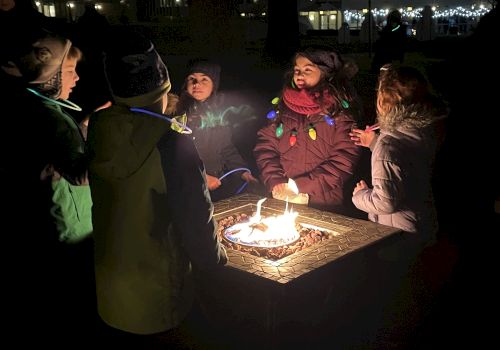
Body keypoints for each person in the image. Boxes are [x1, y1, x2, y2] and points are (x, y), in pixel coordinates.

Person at [86, 30, 227, 346]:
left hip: (112, 289)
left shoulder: (100, 128)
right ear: (161, 80)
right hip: (160, 292)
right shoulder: (171, 143)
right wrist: (216, 265)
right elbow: (196, 219)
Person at [0, 30, 95, 344]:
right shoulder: (50, 117)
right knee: (73, 302)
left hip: (47, 222)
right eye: (69, 71)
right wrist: (109, 144)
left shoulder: (30, 107)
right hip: (68, 228)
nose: (77, 78)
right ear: (49, 76)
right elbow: (80, 174)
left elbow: (54, 155)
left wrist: (81, 127)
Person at [254, 47, 364, 216]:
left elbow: (344, 159)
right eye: (297, 70)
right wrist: (275, 179)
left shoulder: (338, 111)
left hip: (324, 202)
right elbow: (266, 146)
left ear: (325, 73)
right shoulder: (281, 107)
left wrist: (300, 186)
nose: (299, 75)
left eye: (307, 70)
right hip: (283, 198)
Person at [352, 64, 446, 246]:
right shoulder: (423, 129)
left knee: (396, 273)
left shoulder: (388, 146)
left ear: (382, 102)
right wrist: (374, 142)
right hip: (422, 221)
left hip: (397, 234)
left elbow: (385, 203)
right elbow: (403, 160)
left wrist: (360, 195)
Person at [175, 59, 258, 202]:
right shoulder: (177, 113)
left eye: (204, 79)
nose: (197, 84)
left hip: (215, 183)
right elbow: (174, 155)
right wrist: (201, 177)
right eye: (192, 79)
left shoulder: (218, 114)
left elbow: (226, 148)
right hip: (186, 186)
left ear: (214, 85)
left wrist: (242, 171)